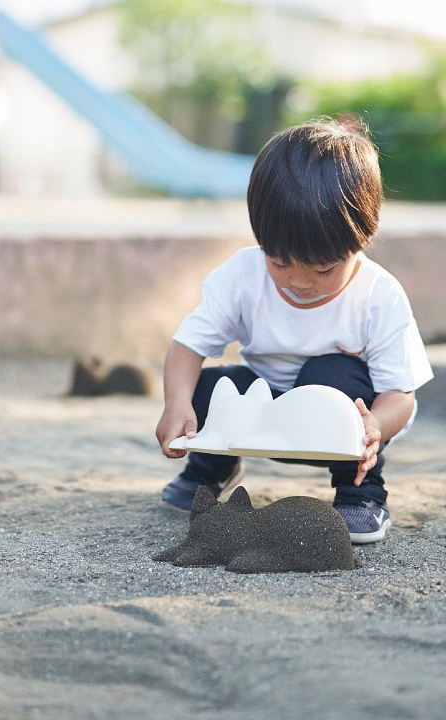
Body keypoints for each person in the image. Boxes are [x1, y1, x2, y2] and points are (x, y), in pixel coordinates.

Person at [155, 119, 433, 544]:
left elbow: (400, 394)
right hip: (263, 413)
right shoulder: (242, 276)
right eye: (279, 262)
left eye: (323, 268)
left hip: (338, 428)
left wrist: (373, 426)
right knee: (207, 385)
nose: (298, 282)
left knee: (336, 376)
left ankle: (361, 494)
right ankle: (210, 468)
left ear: (363, 238)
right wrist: (176, 404)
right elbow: (187, 346)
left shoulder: (379, 295)